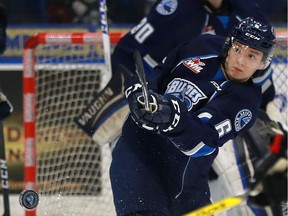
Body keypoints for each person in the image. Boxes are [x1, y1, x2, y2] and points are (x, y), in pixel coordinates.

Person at [109, 17, 276, 216]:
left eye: (252, 56)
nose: (240, 60)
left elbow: (201, 141)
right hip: (138, 158)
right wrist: (138, 90)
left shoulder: (244, 102)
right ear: (229, 44)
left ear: (262, 63)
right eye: (238, 49)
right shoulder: (201, 46)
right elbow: (157, 76)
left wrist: (173, 117)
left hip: (187, 183)